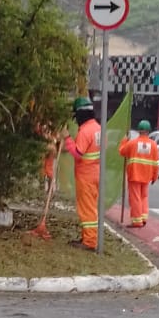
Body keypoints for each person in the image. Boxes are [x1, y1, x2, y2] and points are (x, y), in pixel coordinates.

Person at [63, 97, 101, 249]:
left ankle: (89, 241)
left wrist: (67, 138)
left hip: (86, 175)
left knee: (87, 209)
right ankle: (88, 237)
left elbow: (78, 153)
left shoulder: (85, 131)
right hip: (95, 173)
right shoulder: (97, 128)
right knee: (90, 207)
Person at [118, 120, 159, 228]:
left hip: (135, 174)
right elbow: (156, 163)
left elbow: (122, 151)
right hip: (147, 175)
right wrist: (155, 176)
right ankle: (143, 218)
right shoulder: (153, 145)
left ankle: (137, 221)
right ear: (149, 131)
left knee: (135, 198)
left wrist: (124, 140)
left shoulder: (132, 143)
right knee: (144, 196)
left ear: (139, 131)